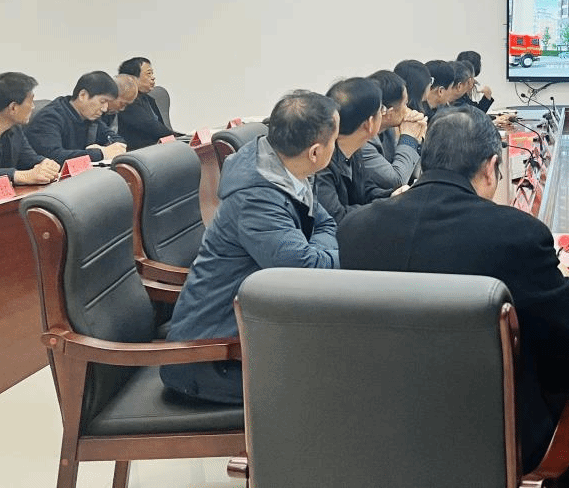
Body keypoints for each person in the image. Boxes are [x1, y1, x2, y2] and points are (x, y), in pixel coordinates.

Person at [337, 107, 569, 471]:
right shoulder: (516, 234)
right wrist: (565, 278)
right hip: (494, 452)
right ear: (491, 167)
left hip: (377, 448)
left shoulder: (356, 230)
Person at [161, 90, 339, 405]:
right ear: (315, 152)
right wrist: (323, 248)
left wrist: (317, 246)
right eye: (334, 142)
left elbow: (325, 225)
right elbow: (309, 270)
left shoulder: (282, 167)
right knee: (340, 381)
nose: (334, 149)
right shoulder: (257, 198)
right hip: (211, 359)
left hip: (250, 332)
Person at [315, 77, 388, 226]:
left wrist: (393, 197)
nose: (384, 113)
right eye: (381, 110)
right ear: (369, 123)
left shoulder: (354, 149)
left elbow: (366, 190)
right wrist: (382, 208)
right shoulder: (321, 162)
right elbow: (337, 218)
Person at [25, 71, 127, 165]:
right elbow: (54, 156)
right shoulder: (50, 117)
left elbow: (116, 140)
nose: (105, 109)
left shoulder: (90, 117)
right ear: (83, 95)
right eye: (102, 101)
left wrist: (113, 147)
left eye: (108, 103)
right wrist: (100, 153)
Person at [358, 69, 424, 190]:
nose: (408, 110)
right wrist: (408, 139)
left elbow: (413, 175)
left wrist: (417, 138)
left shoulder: (387, 131)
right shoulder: (362, 143)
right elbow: (396, 181)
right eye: (404, 104)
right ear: (388, 112)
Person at [116, 56, 181, 149]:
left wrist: (184, 137)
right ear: (132, 79)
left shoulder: (149, 99)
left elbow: (163, 130)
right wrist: (180, 138)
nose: (153, 78)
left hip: (158, 148)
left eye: (152, 73)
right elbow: (153, 128)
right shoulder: (126, 103)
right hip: (140, 152)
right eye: (148, 74)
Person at [99, 73, 139, 142]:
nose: (122, 109)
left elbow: (113, 136)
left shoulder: (111, 112)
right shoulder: (92, 112)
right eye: (122, 104)